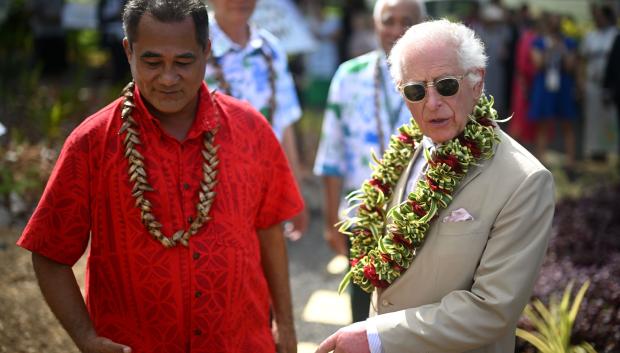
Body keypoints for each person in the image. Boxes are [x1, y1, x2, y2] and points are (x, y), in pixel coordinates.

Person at [17, 1, 303, 352]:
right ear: (128, 51)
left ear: (206, 51)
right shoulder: (91, 144)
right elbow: (48, 253)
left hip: (242, 343)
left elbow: (269, 229)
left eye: (183, 61)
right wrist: (86, 339)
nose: (168, 78)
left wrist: (286, 326)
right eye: (152, 62)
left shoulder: (251, 129)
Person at [316, 19, 554, 353]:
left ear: (477, 81)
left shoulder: (524, 180)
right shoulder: (407, 148)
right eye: (415, 90)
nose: (431, 103)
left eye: (445, 85)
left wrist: (377, 337)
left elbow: (492, 309)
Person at [313, 0, 425, 324]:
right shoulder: (349, 76)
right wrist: (332, 223)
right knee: (363, 317)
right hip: (363, 221)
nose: (397, 30)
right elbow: (331, 154)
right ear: (375, 25)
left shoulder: (438, 82)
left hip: (423, 220)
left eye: (408, 21)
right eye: (389, 20)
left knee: (413, 319)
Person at [204, 0, 308, 240]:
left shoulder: (271, 48)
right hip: (211, 194)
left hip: (264, 189)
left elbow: (285, 125)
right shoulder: (191, 44)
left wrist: (295, 193)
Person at [528, 12, 579, 174]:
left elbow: (570, 66)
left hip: (563, 86)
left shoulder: (569, 43)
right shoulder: (539, 42)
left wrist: (561, 49)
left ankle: (570, 162)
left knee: (567, 123)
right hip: (544, 86)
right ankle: (540, 161)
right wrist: (550, 49)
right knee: (542, 123)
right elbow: (538, 63)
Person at [581, 5, 618, 162]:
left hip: (610, 85)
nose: (597, 19)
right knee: (592, 118)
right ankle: (594, 151)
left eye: (600, 16)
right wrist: (580, 81)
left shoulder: (615, 35)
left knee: (609, 119)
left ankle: (610, 151)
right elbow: (581, 59)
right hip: (592, 82)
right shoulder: (590, 36)